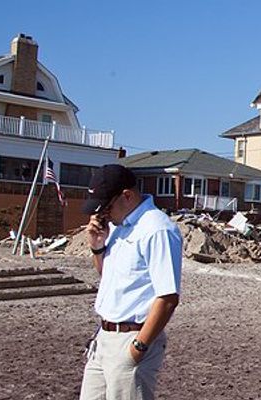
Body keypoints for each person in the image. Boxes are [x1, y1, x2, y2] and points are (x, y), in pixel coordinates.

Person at [79, 164, 182, 400]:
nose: (102, 214)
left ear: (127, 196)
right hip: (103, 338)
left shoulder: (157, 229)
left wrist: (138, 348)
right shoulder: (118, 227)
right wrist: (98, 247)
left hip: (131, 339)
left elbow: (168, 298)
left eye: (106, 206)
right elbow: (110, 279)